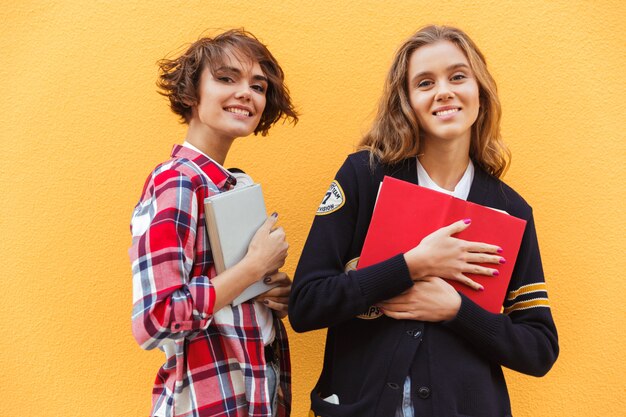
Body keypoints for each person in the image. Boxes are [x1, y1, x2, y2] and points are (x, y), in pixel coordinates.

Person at [289, 25, 558, 417]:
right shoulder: (363, 178)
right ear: (408, 101)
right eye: (425, 82)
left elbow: (539, 349)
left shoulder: (510, 209)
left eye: (458, 76)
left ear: (479, 90)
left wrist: (457, 311)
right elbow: (306, 305)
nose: (444, 91)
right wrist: (411, 265)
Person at [129, 29, 298, 417]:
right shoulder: (178, 180)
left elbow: (225, 296)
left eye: (258, 85)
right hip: (205, 401)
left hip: (249, 393)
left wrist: (270, 294)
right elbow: (157, 320)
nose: (246, 93)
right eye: (226, 78)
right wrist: (252, 267)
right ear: (191, 93)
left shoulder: (229, 185)